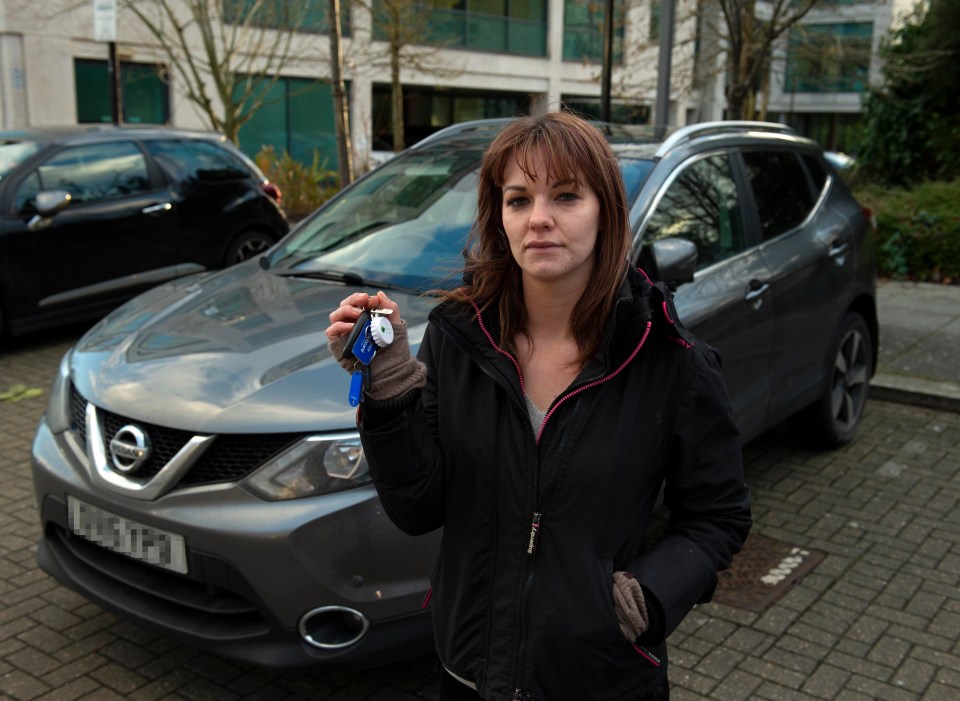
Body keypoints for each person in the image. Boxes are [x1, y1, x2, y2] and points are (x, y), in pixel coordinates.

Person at [326, 111, 751, 701]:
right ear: (499, 217)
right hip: (469, 671)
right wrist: (391, 385)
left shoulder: (669, 360)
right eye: (519, 199)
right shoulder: (458, 334)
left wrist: (649, 597)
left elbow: (718, 517)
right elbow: (418, 507)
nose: (540, 219)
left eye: (567, 196)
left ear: (606, 211)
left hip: (602, 680)